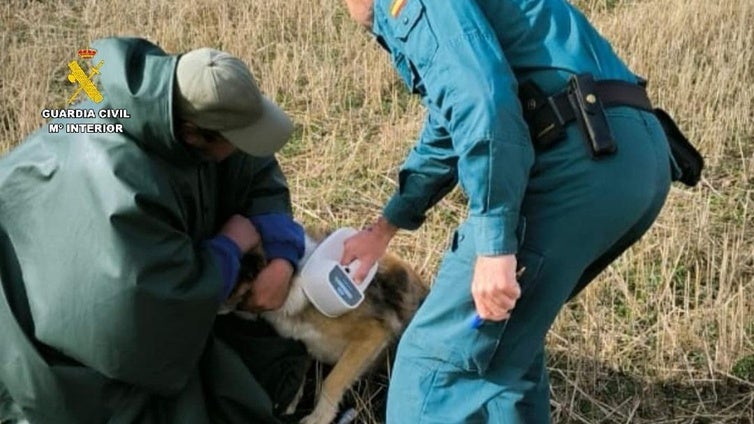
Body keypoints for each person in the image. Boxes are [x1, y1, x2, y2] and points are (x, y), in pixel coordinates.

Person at [339, 0, 676, 422]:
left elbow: (482, 100)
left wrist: (496, 245)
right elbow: (451, 124)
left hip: (576, 162)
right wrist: (385, 227)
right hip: (631, 157)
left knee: (434, 364)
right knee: (504, 350)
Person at [0, 37, 310, 423]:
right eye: (235, 141)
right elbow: (132, 316)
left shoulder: (175, 107)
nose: (243, 148)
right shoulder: (115, 177)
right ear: (195, 134)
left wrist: (281, 252)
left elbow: (254, 168)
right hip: (50, 346)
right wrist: (230, 245)